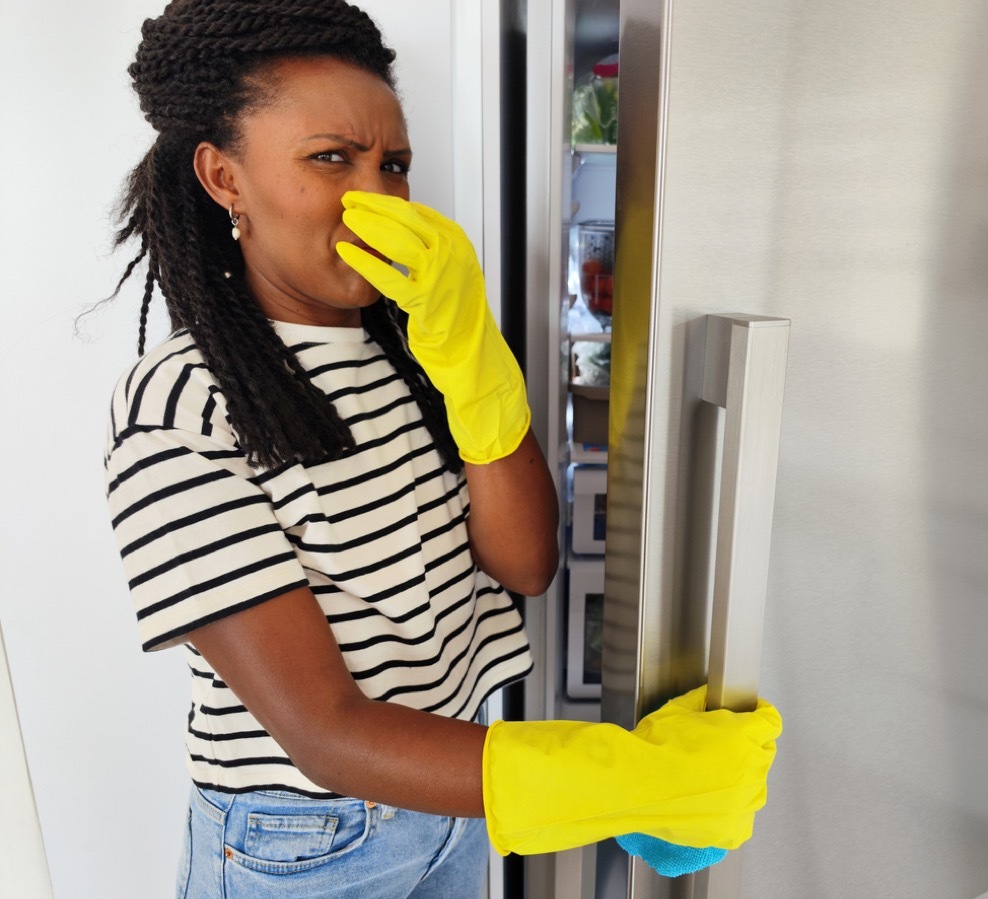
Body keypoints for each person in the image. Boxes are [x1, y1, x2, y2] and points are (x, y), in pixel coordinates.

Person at [103, 1, 782, 896]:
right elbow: (326, 732)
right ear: (224, 176)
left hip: (456, 795)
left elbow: (526, 562)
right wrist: (627, 781)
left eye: (394, 165)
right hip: (302, 842)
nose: (376, 197)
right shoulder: (182, 402)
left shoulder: (413, 349)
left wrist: (476, 368)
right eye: (330, 158)